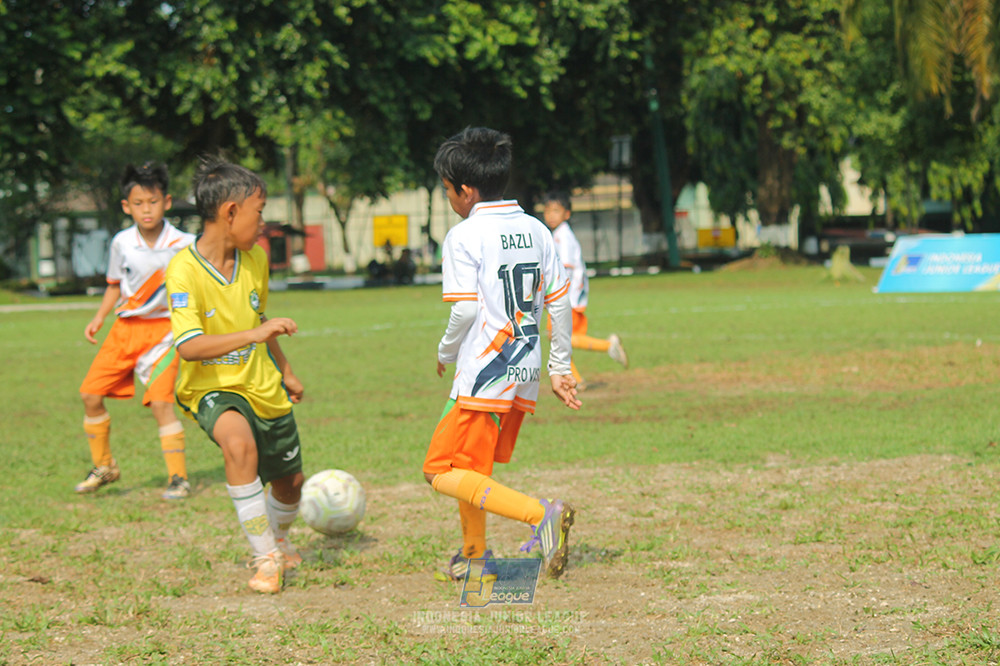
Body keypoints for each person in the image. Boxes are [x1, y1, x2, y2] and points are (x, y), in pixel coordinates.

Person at [423, 127, 582, 582]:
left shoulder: (464, 235)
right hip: (524, 368)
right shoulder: (536, 229)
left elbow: (466, 310)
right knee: (472, 469)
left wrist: (445, 352)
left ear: (466, 190)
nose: (449, 198)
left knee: (438, 469)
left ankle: (541, 515)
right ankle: (475, 557)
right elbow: (559, 301)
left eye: (448, 190)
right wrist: (558, 367)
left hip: (485, 370)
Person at [165, 158, 305, 594]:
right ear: (230, 212)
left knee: (290, 484)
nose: (263, 223)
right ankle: (265, 559)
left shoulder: (255, 260)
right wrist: (256, 332)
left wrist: (285, 369)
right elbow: (188, 345)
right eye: (258, 211)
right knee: (238, 442)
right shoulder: (182, 269)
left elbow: (257, 317)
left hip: (262, 383)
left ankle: (277, 540)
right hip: (209, 388)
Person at [76, 162, 194, 500]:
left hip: (164, 334)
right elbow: (115, 284)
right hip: (124, 330)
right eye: (138, 203)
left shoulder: (184, 244)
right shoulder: (121, 243)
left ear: (167, 201)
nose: (147, 209)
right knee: (90, 395)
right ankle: (105, 466)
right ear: (127, 206)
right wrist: (99, 317)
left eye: (153, 202)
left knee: (161, 404)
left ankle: (178, 478)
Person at [542, 191, 628, 388]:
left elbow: (565, 268)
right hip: (567, 296)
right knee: (558, 339)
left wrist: (554, 296)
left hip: (566, 297)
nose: (551, 215)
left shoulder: (562, 236)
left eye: (556, 211)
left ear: (567, 214)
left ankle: (608, 346)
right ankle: (577, 380)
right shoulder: (558, 234)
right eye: (548, 211)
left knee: (561, 338)